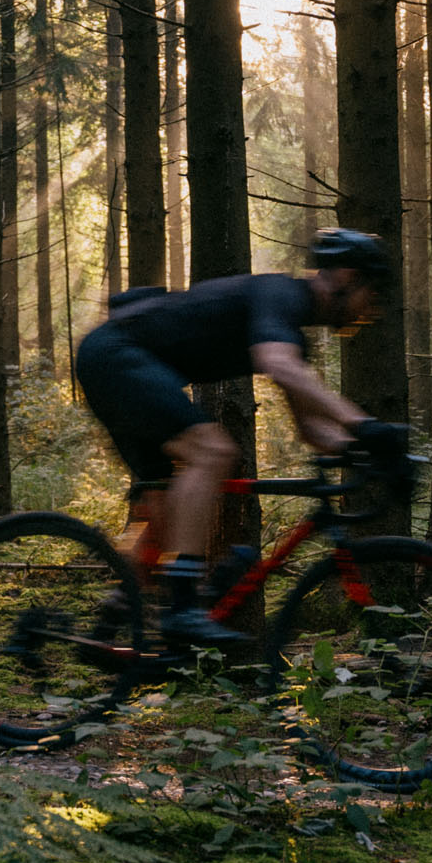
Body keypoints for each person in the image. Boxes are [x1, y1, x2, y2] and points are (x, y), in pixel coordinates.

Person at [73, 228, 407, 644]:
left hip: (121, 361)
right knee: (213, 451)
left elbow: (312, 430)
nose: (369, 310)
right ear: (345, 276)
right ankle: (183, 609)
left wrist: (365, 450)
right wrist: (365, 425)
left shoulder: (293, 332)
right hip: (117, 354)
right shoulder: (280, 294)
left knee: (162, 505)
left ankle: (107, 633)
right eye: (370, 294)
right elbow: (276, 362)